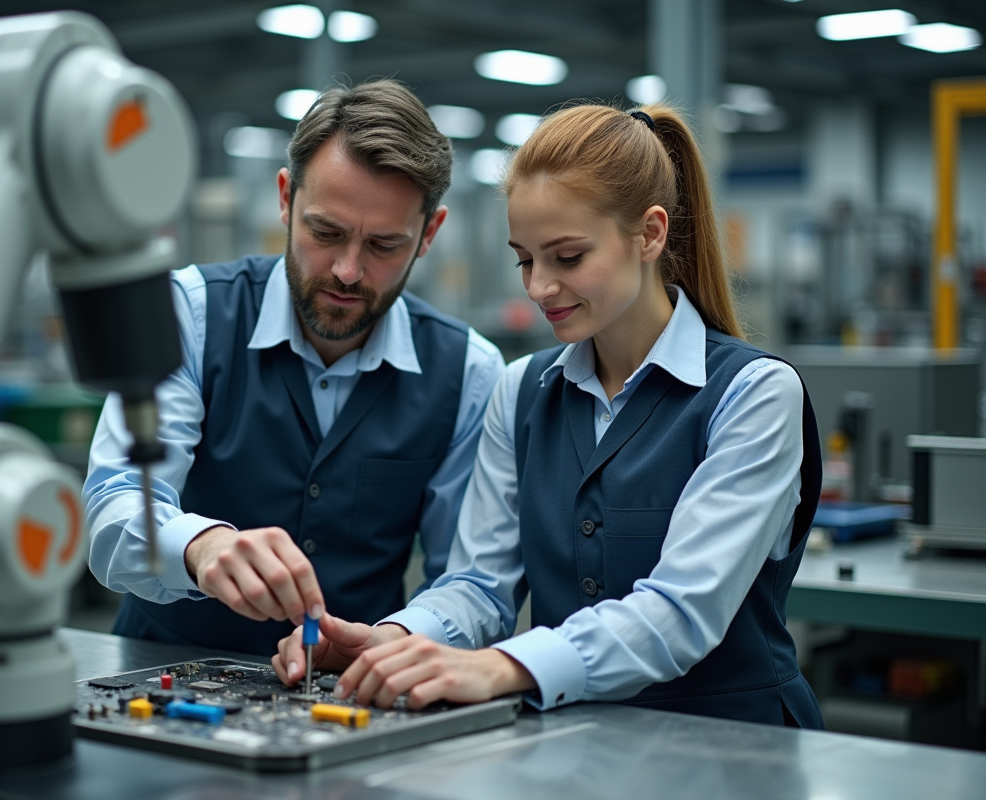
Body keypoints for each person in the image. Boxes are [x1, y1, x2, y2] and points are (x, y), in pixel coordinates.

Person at [274, 103, 824, 729]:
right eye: (525, 260)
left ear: (649, 233)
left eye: (566, 258)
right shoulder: (523, 391)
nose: (537, 288)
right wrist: (396, 641)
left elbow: (681, 612)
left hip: (735, 750)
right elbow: (480, 583)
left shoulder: (752, 394)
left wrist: (503, 668)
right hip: (576, 745)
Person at [84, 79, 504, 656]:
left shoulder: (470, 373)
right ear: (286, 199)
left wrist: (395, 639)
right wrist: (200, 547)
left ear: (428, 235)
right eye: (325, 232)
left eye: (384, 245)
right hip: (156, 672)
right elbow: (115, 505)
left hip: (352, 697)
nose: (348, 271)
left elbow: (475, 581)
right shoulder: (190, 315)